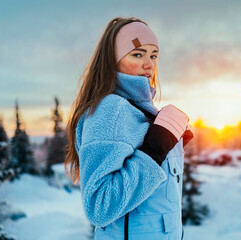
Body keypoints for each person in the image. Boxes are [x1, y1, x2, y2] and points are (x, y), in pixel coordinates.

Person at [65, 17, 193, 240]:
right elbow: (99, 207)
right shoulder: (109, 111)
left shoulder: (142, 112)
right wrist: (155, 150)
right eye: (138, 54)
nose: (149, 64)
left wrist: (168, 145)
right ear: (113, 60)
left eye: (153, 55)